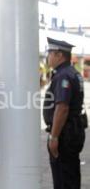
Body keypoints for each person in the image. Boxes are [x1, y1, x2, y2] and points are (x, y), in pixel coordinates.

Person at [43, 37, 86, 189]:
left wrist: (54, 137)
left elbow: (62, 108)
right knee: (71, 175)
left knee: (63, 179)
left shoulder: (63, 75)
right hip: (72, 131)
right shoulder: (72, 72)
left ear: (59, 55)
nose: (48, 57)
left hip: (64, 134)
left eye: (50, 53)